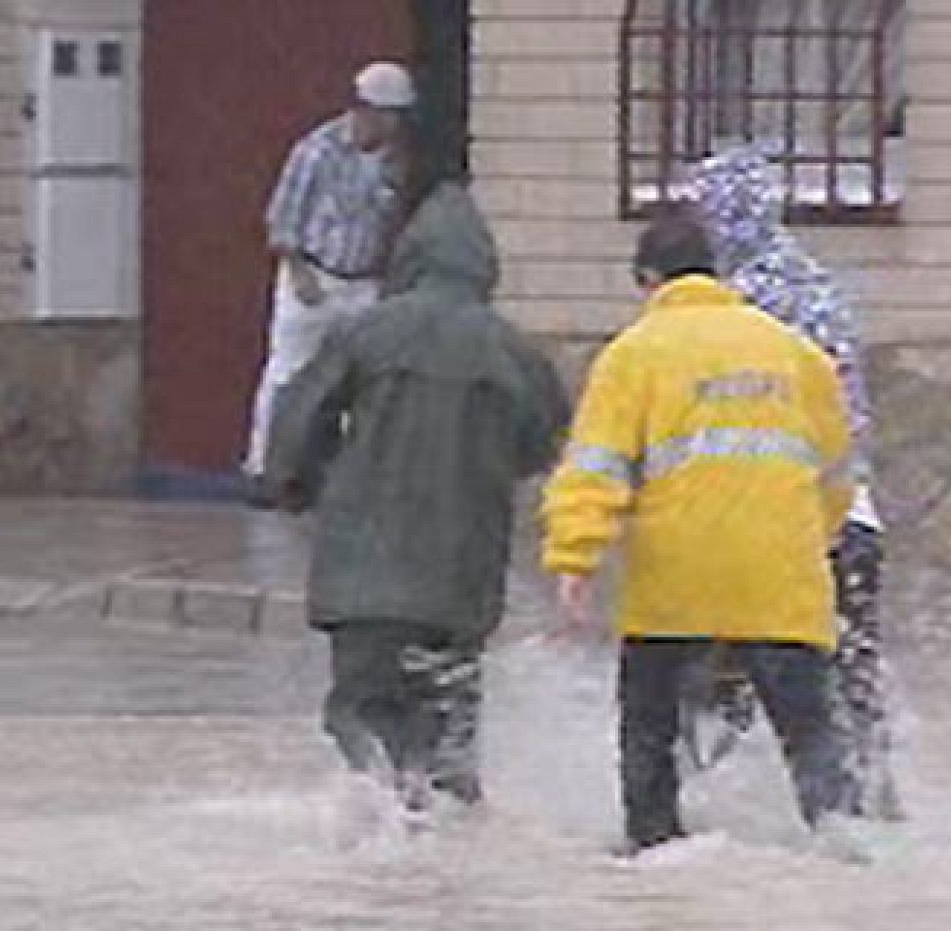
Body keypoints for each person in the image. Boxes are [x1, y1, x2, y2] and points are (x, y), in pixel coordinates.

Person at [542, 214, 856, 856]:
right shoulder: (795, 352)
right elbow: (836, 472)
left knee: (650, 729)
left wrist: (575, 558)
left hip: (675, 585)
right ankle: (844, 845)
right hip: (780, 581)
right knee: (809, 732)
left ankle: (652, 846)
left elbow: (596, 467)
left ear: (646, 280)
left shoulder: (633, 353)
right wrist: (811, 544)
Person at [264, 181, 570, 816]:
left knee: (364, 723)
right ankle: (441, 849)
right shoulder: (517, 353)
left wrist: (295, 485)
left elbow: (298, 416)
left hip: (364, 579)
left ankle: (380, 847)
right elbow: (542, 447)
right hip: (461, 584)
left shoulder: (367, 332)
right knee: (448, 740)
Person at [682, 145, 904, 820]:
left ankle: (716, 812)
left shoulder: (733, 304)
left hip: (770, 524)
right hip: (850, 516)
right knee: (848, 672)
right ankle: (868, 808)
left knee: (727, 678)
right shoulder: (819, 286)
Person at [242, 61, 417, 496]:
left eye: (394, 115)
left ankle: (346, 474)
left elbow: (396, 222)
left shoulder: (399, 161)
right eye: (382, 113)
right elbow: (284, 217)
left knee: (361, 381)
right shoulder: (316, 151)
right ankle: (265, 467)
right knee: (288, 371)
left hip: (365, 282)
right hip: (315, 277)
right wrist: (300, 274)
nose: (388, 124)